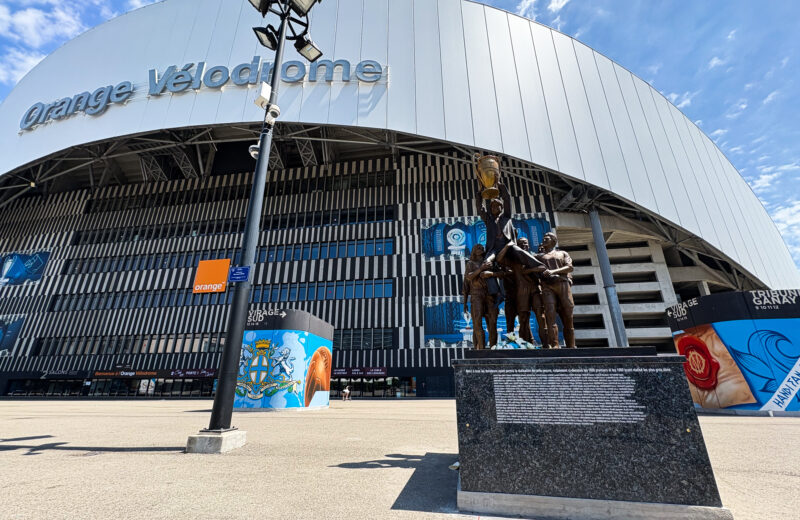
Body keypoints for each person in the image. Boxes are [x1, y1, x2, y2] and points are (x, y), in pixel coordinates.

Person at [537, 232, 575, 349]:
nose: (544, 239)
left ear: (553, 241)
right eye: (543, 238)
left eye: (547, 238)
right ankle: (554, 345)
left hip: (562, 284)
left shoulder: (562, 253)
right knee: (550, 313)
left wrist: (553, 271)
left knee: (568, 315)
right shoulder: (539, 257)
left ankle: (571, 346)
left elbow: (570, 267)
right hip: (547, 287)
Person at [463, 244, 503, 349]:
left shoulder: (489, 263)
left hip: (490, 294)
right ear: (474, 251)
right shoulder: (471, 263)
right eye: (478, 248)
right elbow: (468, 277)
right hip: (476, 294)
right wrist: (481, 268)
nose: (480, 249)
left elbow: (502, 273)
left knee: (492, 321)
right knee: (477, 321)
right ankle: (480, 347)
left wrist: (491, 272)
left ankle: (493, 347)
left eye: (482, 248)